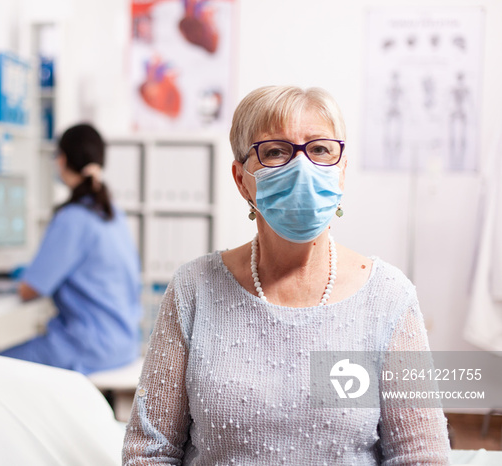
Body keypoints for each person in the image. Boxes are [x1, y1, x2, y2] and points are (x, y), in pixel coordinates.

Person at [122, 86, 450, 464]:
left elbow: (422, 457)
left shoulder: (388, 299)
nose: (302, 168)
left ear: (341, 172)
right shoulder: (193, 290)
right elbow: (149, 452)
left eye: (320, 149)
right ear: (241, 178)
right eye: (275, 152)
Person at [0, 123, 142, 375]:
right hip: (125, 343)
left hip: (89, 346)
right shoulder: (112, 213)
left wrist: (22, 276)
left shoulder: (73, 217)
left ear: (62, 159)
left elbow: (30, 289)